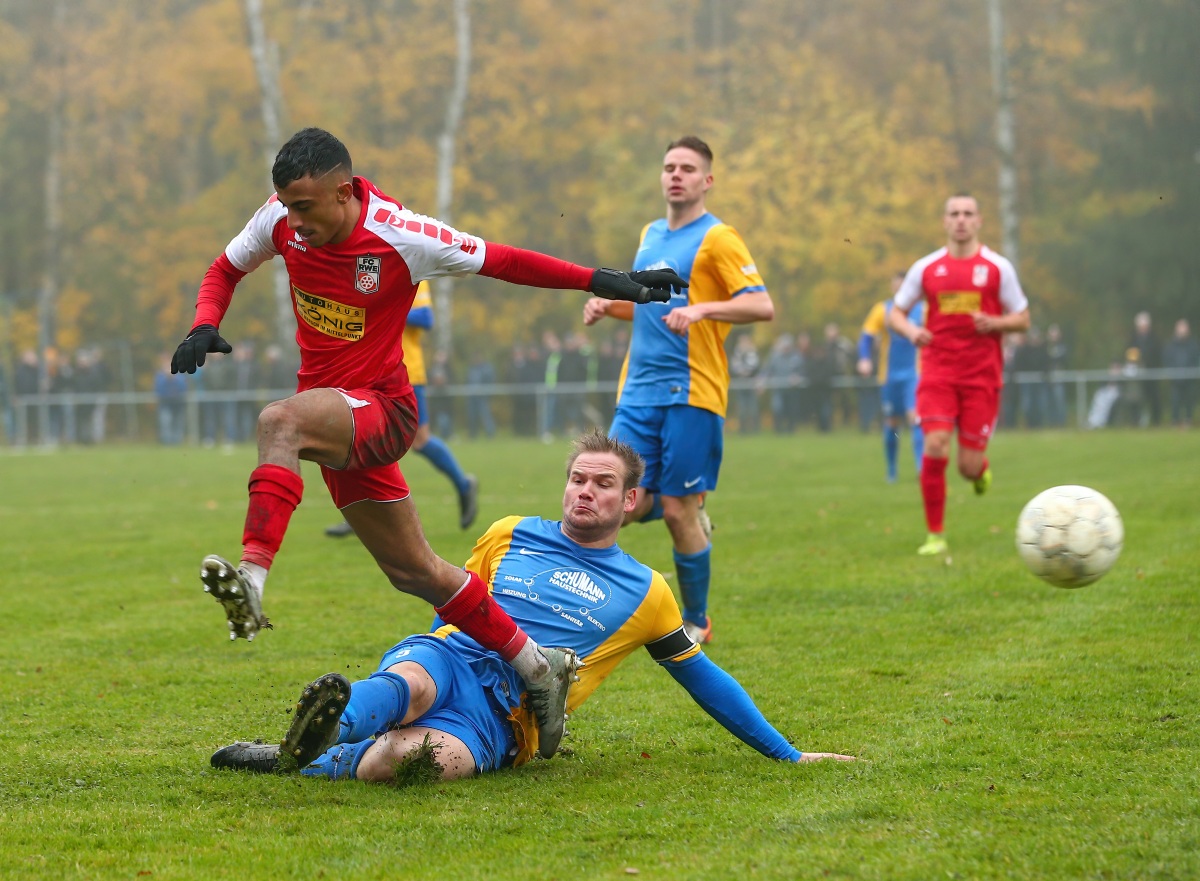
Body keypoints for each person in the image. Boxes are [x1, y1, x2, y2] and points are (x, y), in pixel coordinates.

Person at [169, 127, 684, 757]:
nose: (294, 221)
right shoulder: (280, 218)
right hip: (336, 421)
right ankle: (536, 667)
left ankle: (251, 578)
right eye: (287, 206)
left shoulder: (400, 233)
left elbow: (505, 261)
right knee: (417, 573)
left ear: (342, 191)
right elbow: (224, 268)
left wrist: (603, 281)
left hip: (381, 411)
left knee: (279, 422)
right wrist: (204, 323)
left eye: (305, 207)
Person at [210, 431, 854, 782]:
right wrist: (431, 652)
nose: (585, 493)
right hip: (455, 656)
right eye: (579, 479)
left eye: (604, 485)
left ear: (629, 503)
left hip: (508, 716)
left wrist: (788, 755)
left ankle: (304, 760)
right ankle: (316, 734)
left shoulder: (649, 591)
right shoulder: (511, 531)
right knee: (406, 685)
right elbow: (454, 606)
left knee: (414, 763)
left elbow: (704, 680)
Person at [581, 136, 774, 645]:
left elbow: (760, 305)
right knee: (615, 499)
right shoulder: (649, 233)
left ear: (706, 180)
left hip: (692, 392)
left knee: (675, 511)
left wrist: (703, 309)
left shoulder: (719, 238)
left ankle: (697, 621)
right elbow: (650, 306)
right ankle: (593, 612)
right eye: (669, 166)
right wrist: (611, 307)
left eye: (688, 168)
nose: (676, 175)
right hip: (637, 392)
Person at [888, 193, 1030, 556]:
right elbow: (896, 313)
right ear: (945, 221)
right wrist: (911, 331)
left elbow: (1023, 318)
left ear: (979, 220)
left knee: (967, 466)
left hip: (982, 376)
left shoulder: (998, 268)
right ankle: (935, 535)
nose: (961, 220)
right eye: (954, 213)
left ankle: (978, 471)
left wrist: (996, 322)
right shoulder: (926, 268)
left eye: (968, 213)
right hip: (937, 372)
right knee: (935, 445)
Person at [325, 281, 480, 538]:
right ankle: (359, 514)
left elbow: (426, 317)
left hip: (407, 372)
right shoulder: (368, 274)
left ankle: (464, 485)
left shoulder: (411, 272)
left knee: (420, 441)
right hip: (370, 370)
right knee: (363, 438)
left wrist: (385, 302)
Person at [856, 271, 925, 483]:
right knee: (892, 422)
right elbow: (866, 337)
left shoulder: (924, 309)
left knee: (915, 418)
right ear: (892, 287)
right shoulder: (883, 309)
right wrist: (864, 358)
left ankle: (921, 470)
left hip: (915, 374)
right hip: (889, 376)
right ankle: (892, 470)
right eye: (897, 286)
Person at [1164, 318, 1199, 427]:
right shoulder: (1171, 346)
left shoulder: (1193, 345)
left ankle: (1188, 420)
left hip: (1189, 378)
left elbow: (1197, 359)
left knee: (1189, 400)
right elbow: (1167, 360)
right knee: (1175, 401)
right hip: (1176, 379)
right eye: (1180, 329)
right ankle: (1175, 421)